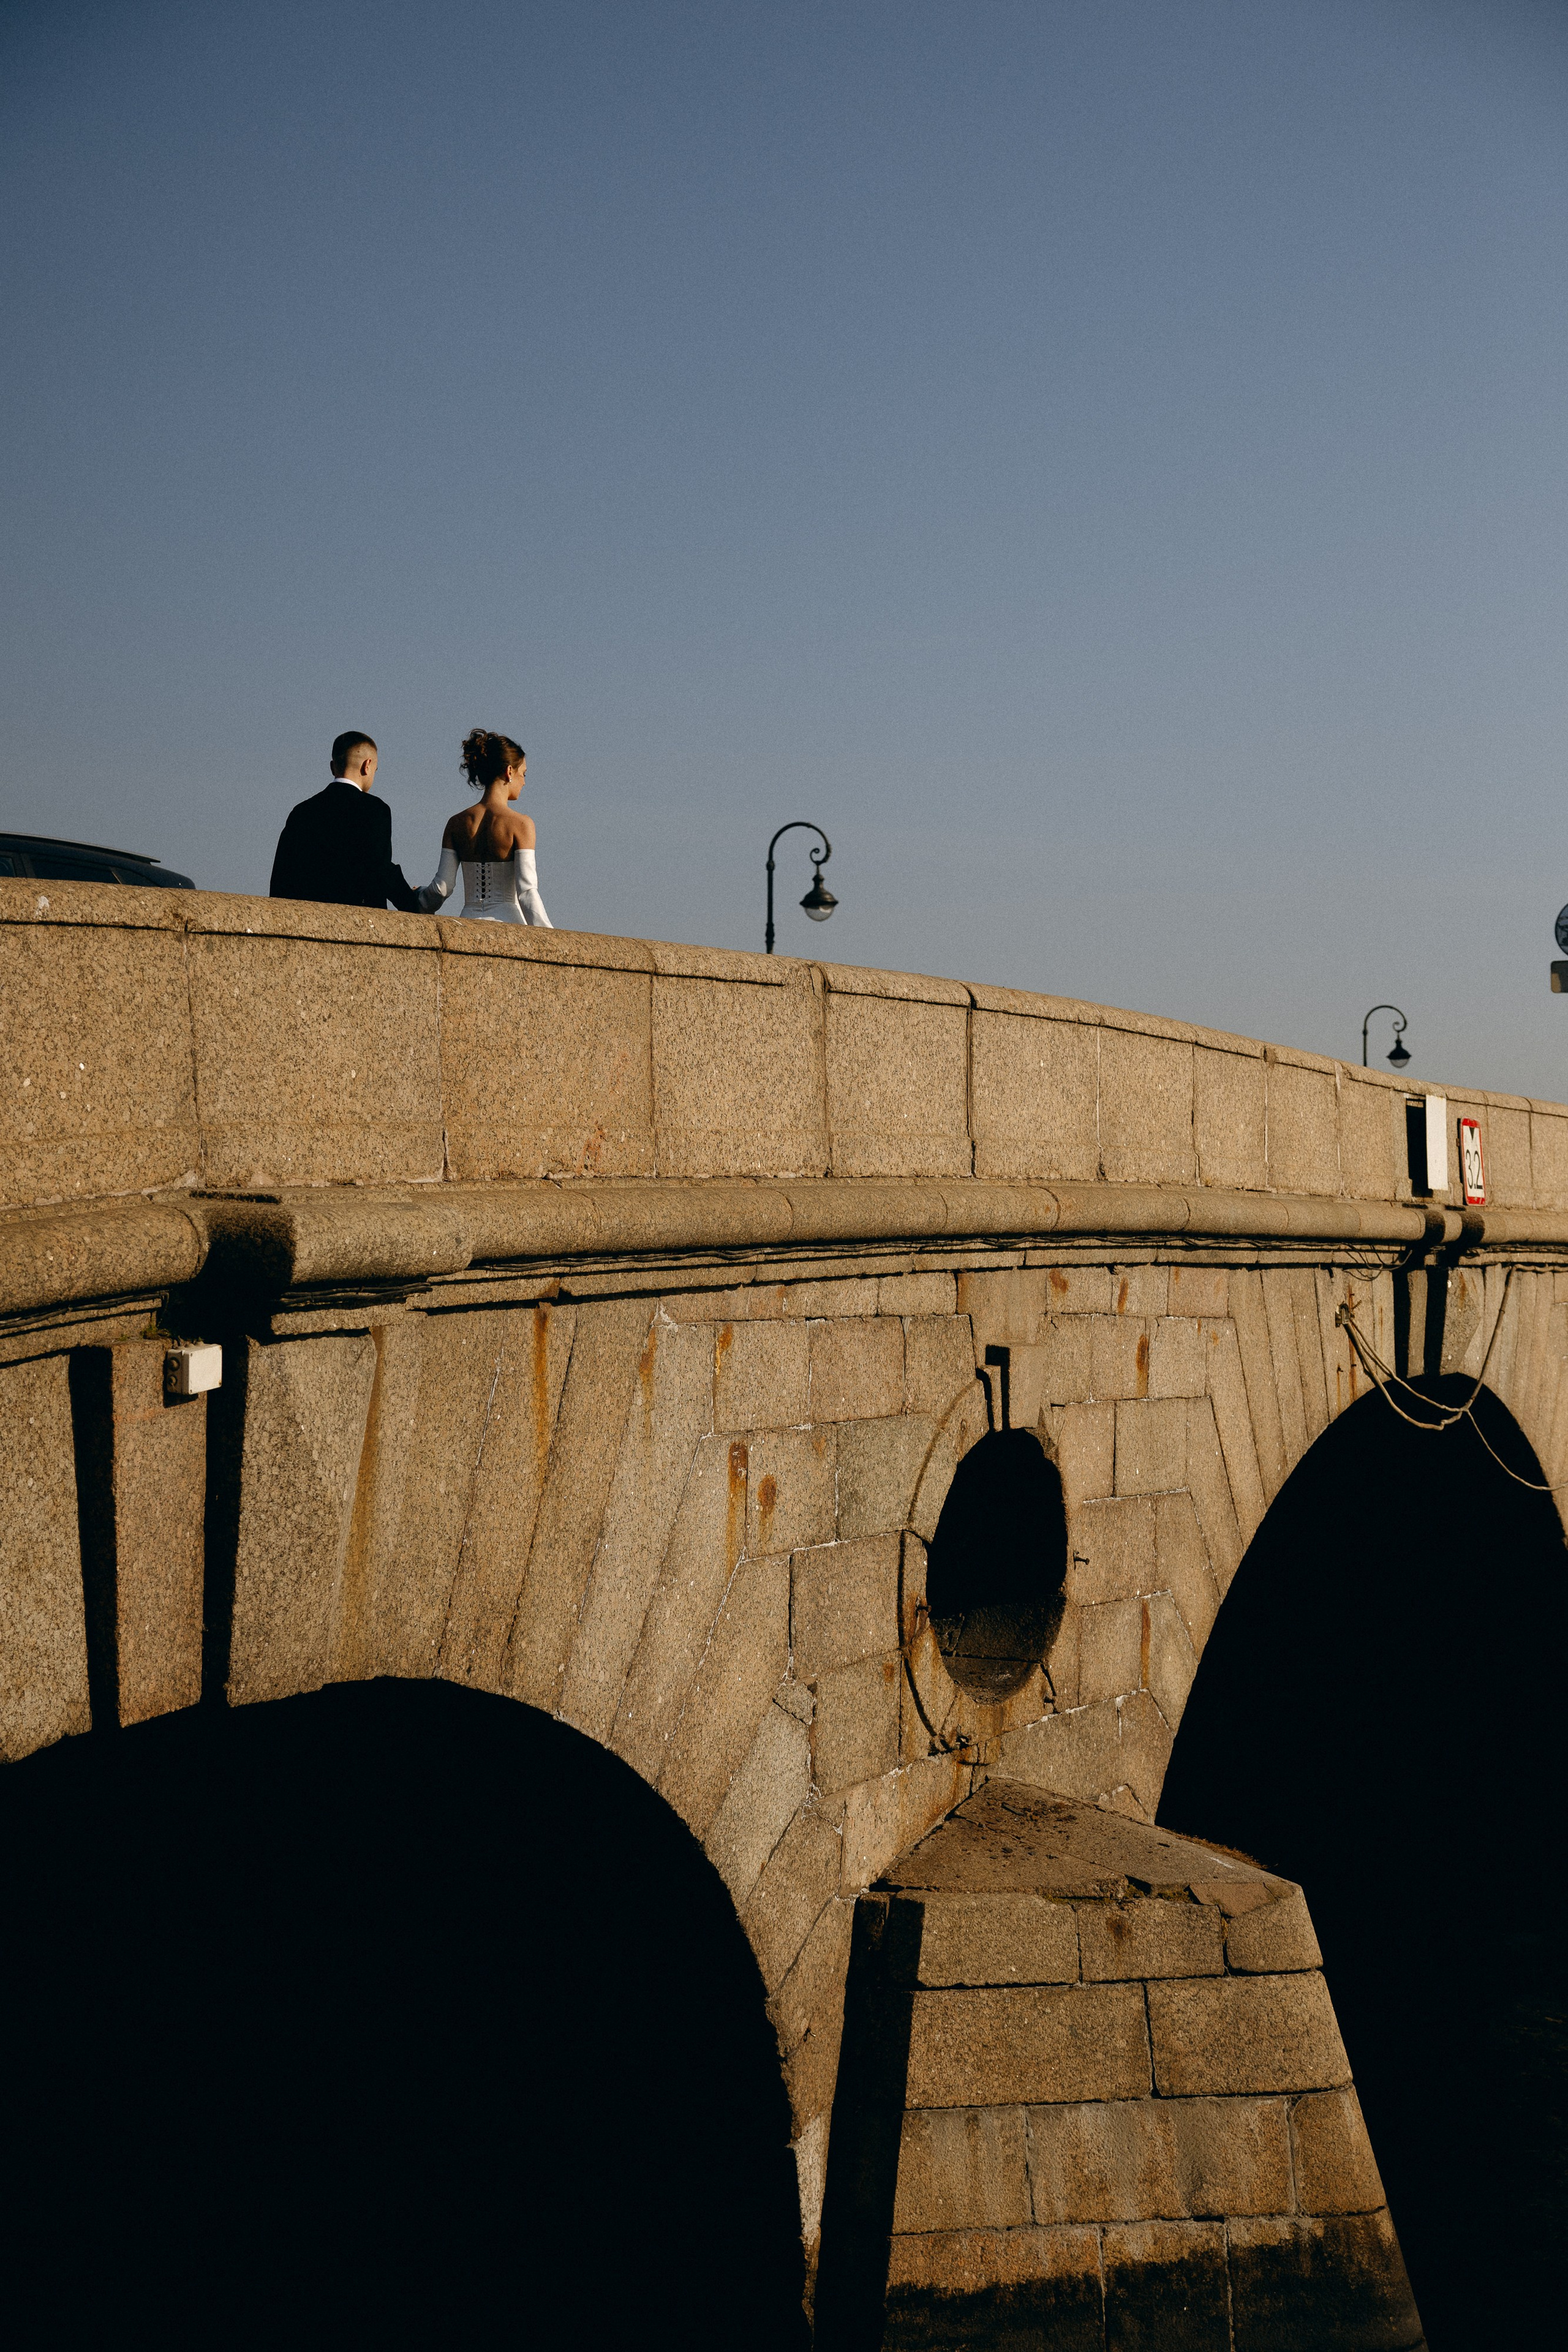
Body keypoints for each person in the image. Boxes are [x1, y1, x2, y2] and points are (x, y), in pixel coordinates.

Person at [270, 732, 423, 911]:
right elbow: (380, 869)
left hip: (308, 918)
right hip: (359, 919)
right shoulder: (375, 809)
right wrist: (413, 905)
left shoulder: (302, 811)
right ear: (368, 766)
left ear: (333, 767)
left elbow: (282, 874)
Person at [415, 729, 552, 925]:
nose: (524, 782)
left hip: (467, 925)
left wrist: (418, 899)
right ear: (510, 772)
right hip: (509, 925)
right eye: (524, 774)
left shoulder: (456, 823)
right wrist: (551, 937)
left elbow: (442, 888)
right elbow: (527, 892)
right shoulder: (521, 824)